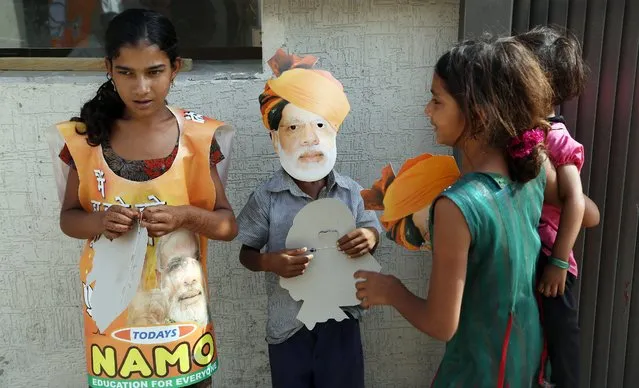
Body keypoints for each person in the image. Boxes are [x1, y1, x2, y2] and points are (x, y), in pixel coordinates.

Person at [354, 36, 555, 386]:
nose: (427, 111)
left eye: (437, 101)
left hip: (476, 374)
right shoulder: (533, 175)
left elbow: (441, 323)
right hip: (524, 365)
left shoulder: (457, 206)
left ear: (477, 114)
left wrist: (390, 290)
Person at [53, 8, 237, 388]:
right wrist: (99, 222)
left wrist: (185, 216)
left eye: (154, 72)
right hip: (114, 328)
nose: (141, 88)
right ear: (109, 68)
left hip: (182, 324)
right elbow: (69, 218)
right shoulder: (87, 138)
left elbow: (226, 225)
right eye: (127, 73)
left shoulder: (198, 138)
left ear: (175, 68)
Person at [235, 48, 382, 388]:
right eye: (294, 127)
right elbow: (246, 253)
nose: (309, 138)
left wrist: (370, 238)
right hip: (289, 328)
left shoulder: (351, 192)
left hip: (342, 322)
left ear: (334, 134)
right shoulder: (266, 197)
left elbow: (373, 230)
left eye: (319, 125)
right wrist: (270, 262)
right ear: (276, 140)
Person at [516, 25, 600, 387]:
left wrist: (559, 262)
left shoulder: (557, 137)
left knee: (561, 333)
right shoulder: (521, 131)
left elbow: (576, 202)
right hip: (532, 248)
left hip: (552, 255)